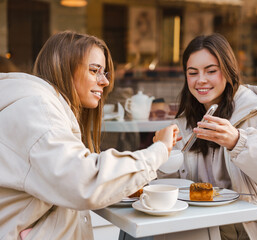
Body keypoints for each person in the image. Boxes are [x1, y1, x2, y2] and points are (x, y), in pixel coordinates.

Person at [0, 31, 180, 239]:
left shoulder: (39, 105)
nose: (104, 81)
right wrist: (159, 151)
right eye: (94, 70)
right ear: (64, 68)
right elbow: (84, 180)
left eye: (105, 73)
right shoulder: (38, 109)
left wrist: (123, 181)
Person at [161, 33, 257, 239]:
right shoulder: (183, 124)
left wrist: (238, 142)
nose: (201, 80)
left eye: (211, 71)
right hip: (208, 231)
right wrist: (161, 154)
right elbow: (169, 189)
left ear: (228, 70)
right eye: (193, 72)